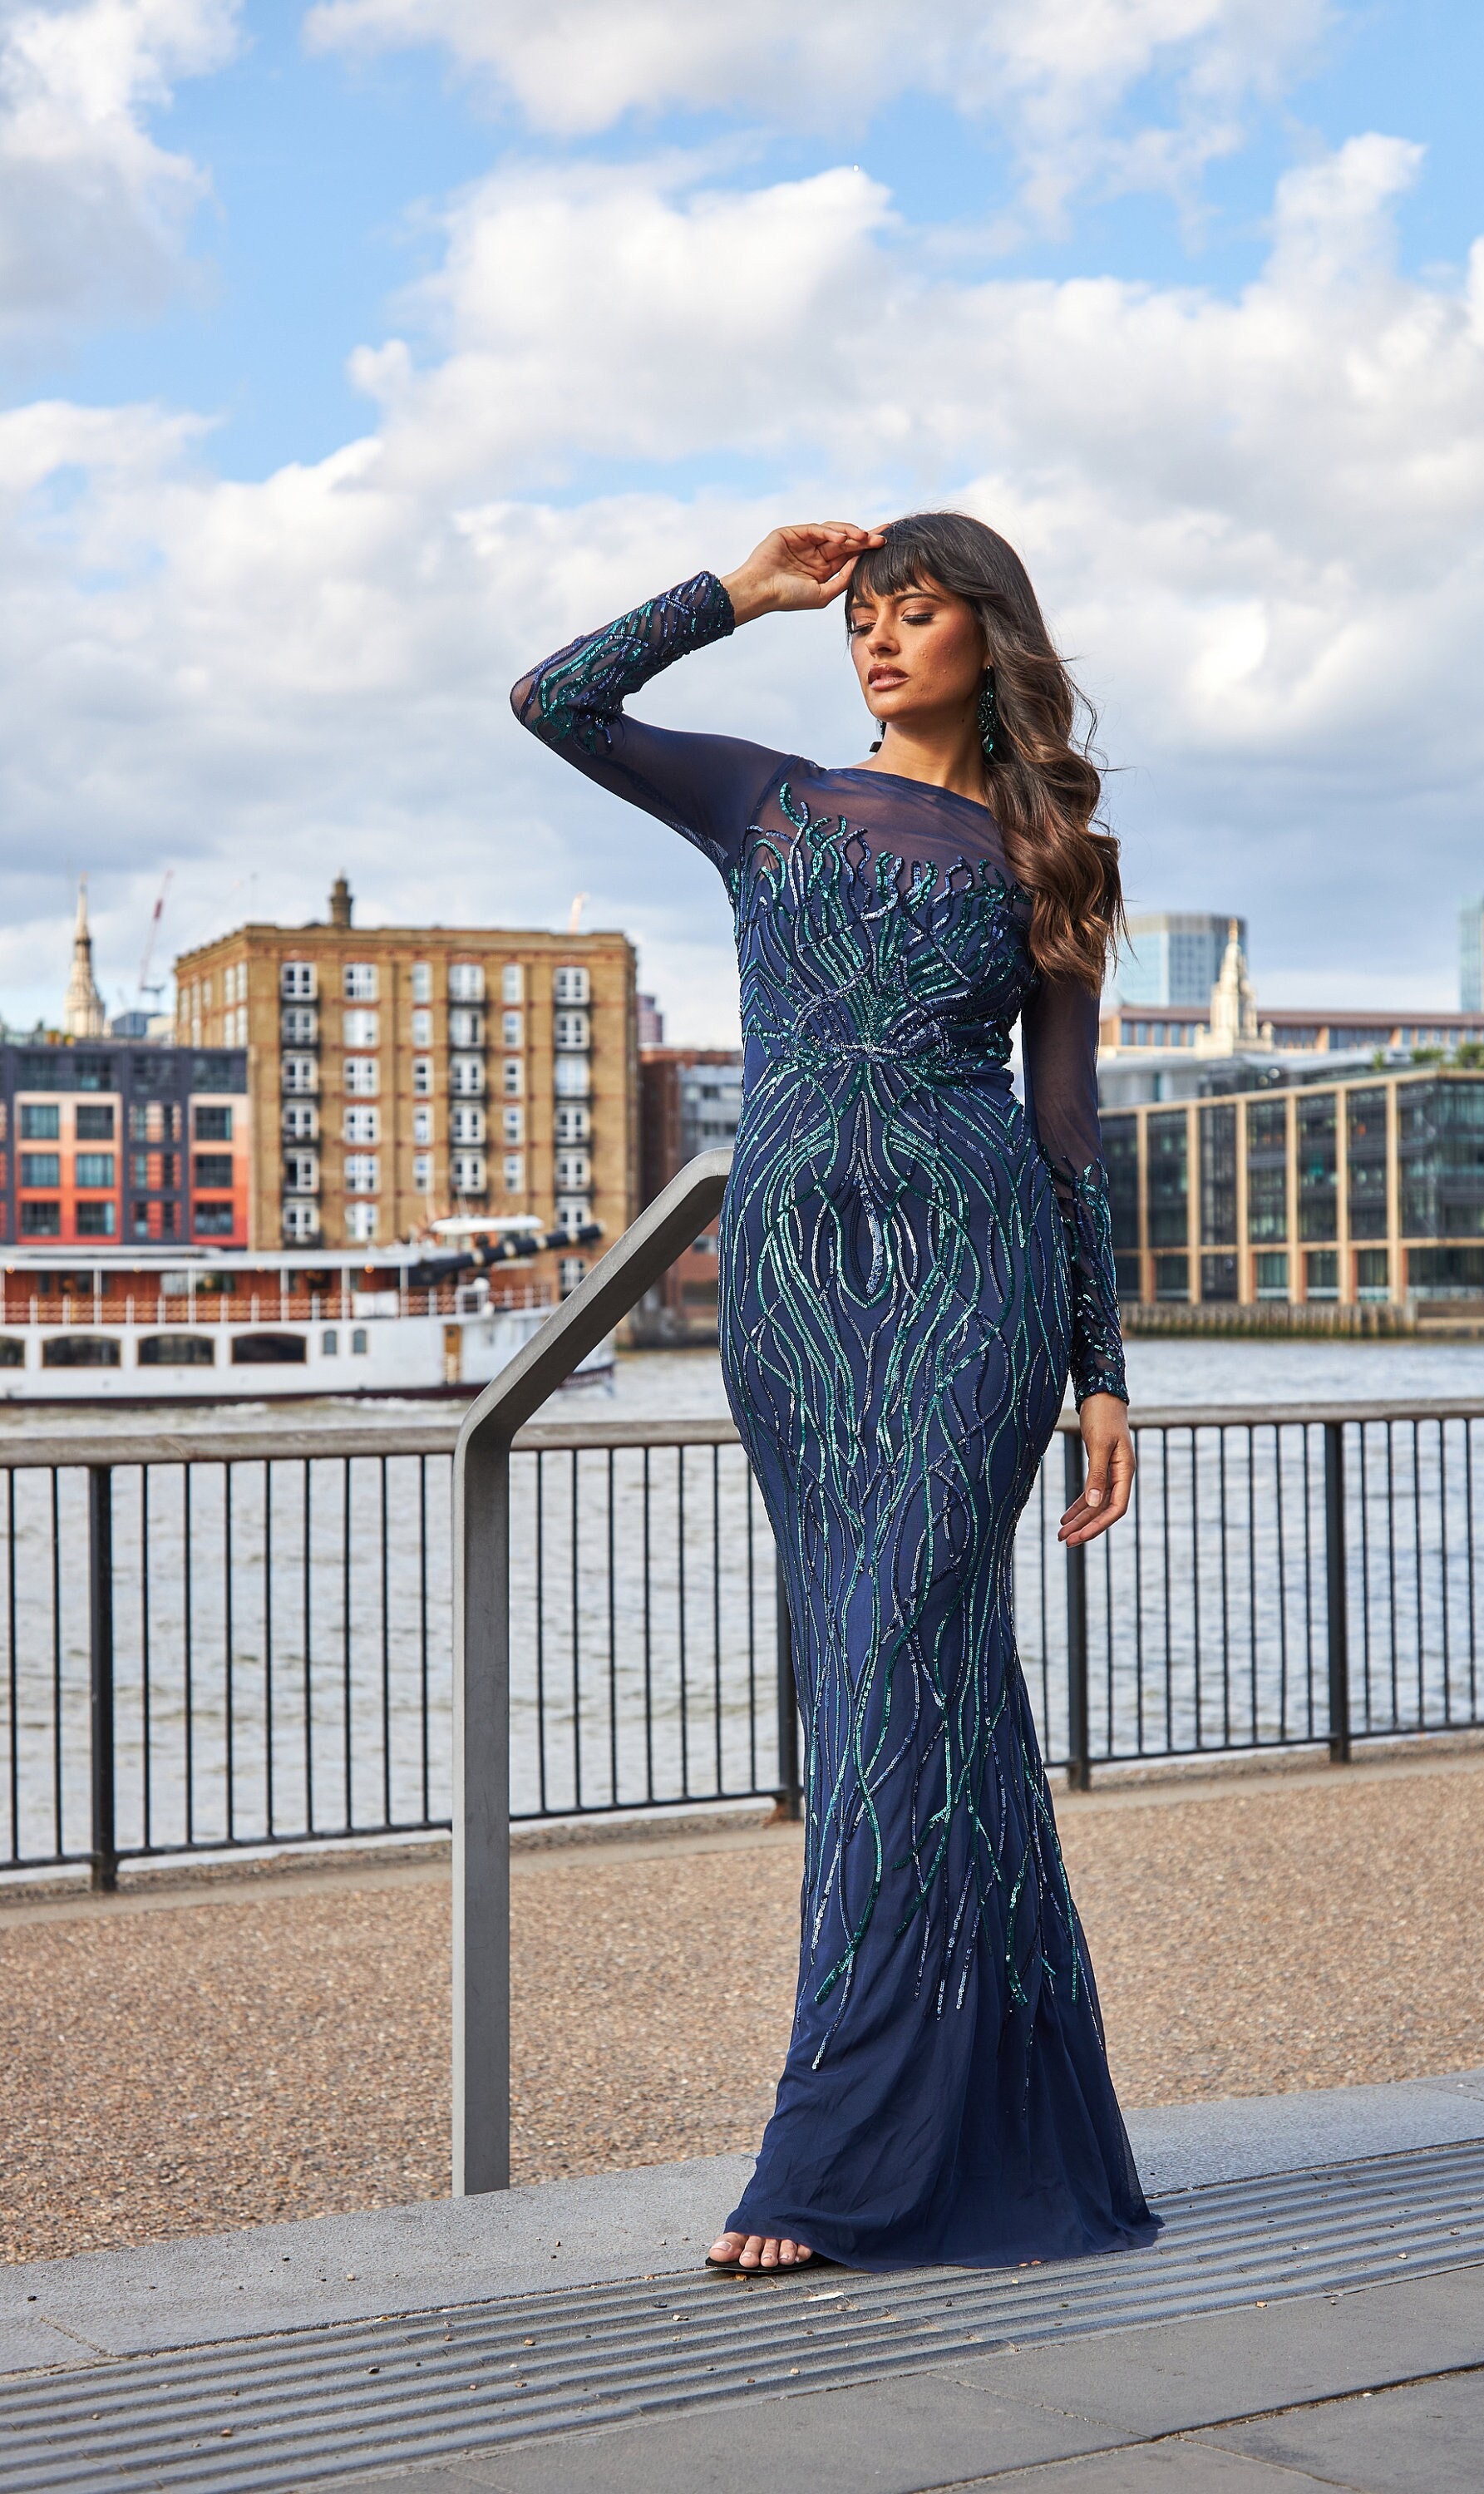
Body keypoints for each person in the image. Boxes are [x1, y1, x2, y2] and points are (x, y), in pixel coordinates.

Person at [512, 513, 1156, 2275]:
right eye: (857, 618)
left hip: (978, 1285)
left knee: (890, 1668)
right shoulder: (766, 802)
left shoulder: (1055, 854)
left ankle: (829, 2156)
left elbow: (1066, 1131)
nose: (872, 641)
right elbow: (553, 701)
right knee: (921, 1692)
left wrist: (1102, 1375)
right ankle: (997, 2121)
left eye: (912, 614)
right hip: (794, 1298)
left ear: (985, 636)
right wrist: (738, 589)